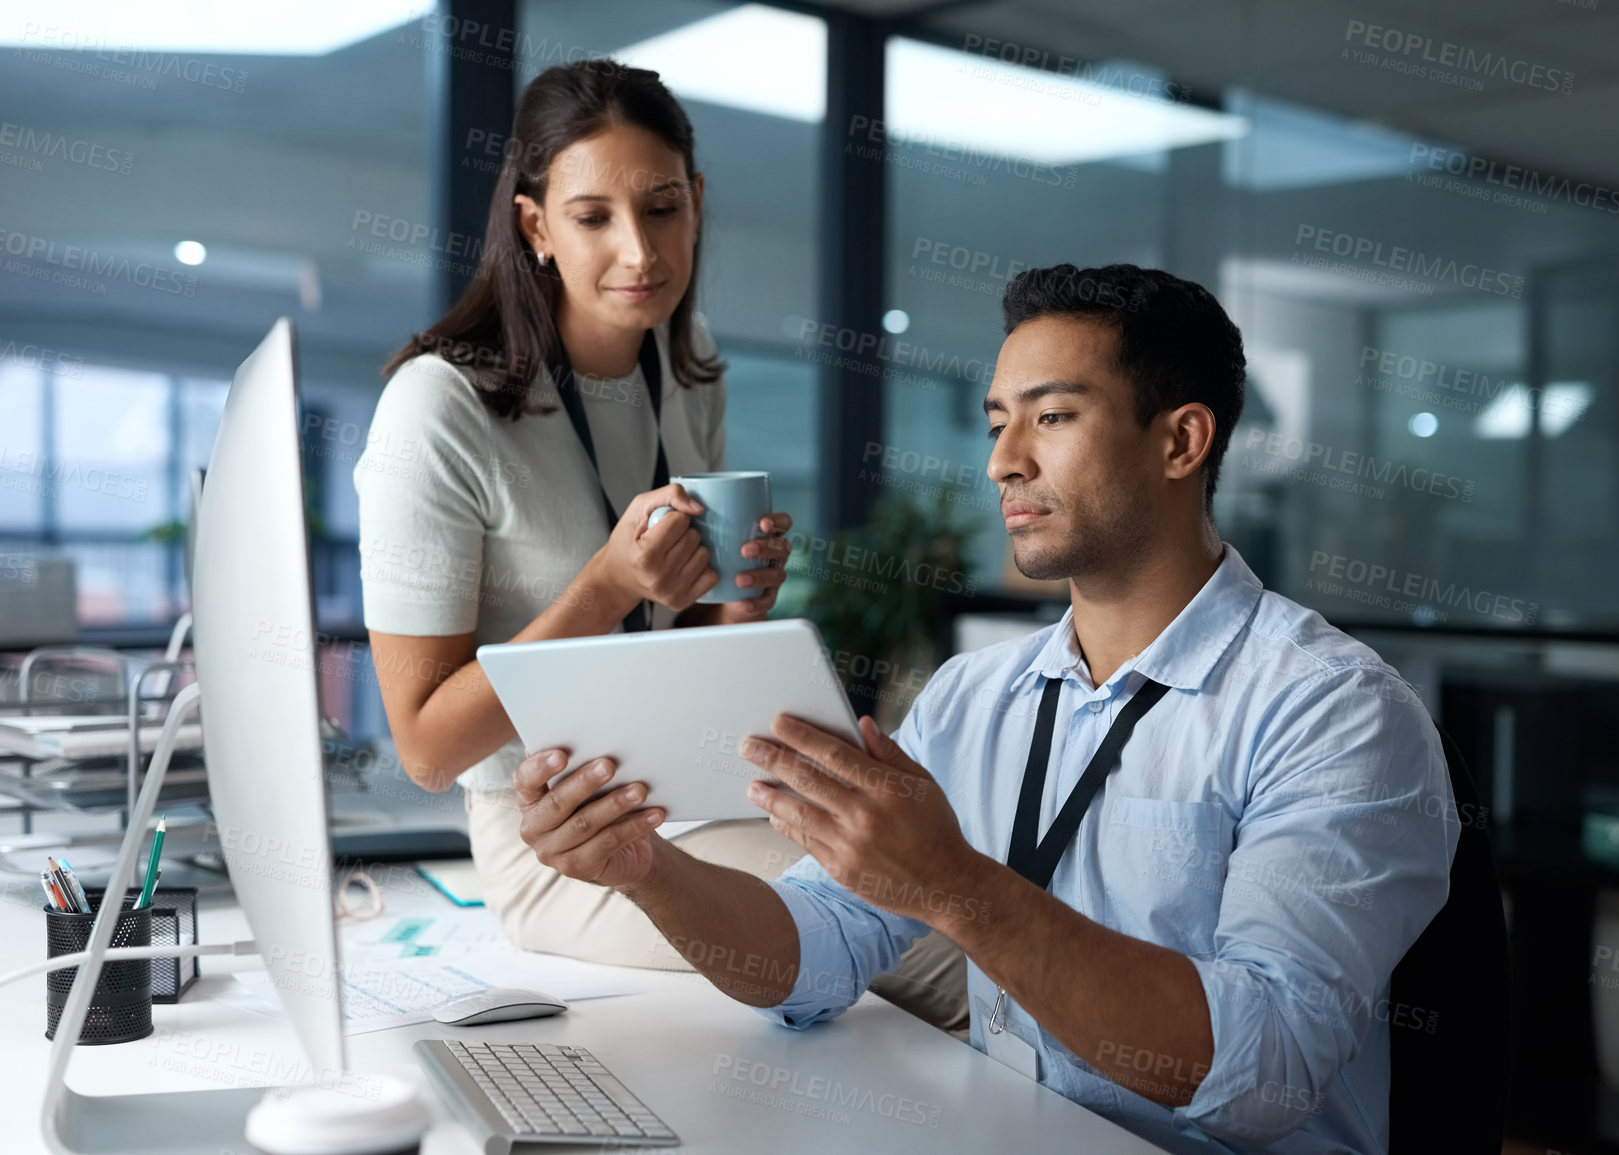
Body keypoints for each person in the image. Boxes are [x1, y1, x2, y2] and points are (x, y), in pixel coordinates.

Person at [509, 263, 1460, 1153]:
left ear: (1180, 440)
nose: (1002, 459)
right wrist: (647, 870)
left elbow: (1267, 1069)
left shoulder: (1336, 712)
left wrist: (950, 884)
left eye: (1050, 417)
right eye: (997, 420)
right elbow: (815, 953)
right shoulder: (974, 698)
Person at [354, 60, 965, 1033]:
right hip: (563, 831)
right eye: (593, 216)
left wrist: (736, 605)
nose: (639, 250)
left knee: (952, 861)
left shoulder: (687, 370)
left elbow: (679, 646)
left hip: (693, 776)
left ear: (698, 204)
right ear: (534, 226)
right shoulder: (439, 407)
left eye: (663, 207)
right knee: (930, 926)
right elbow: (427, 747)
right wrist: (603, 585)